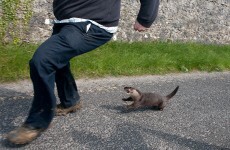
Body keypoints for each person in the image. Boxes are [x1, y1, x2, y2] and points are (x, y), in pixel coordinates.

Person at [6, 0, 159, 144]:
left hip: (92, 23)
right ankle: (70, 101)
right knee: (57, 60)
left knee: (43, 60)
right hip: (65, 22)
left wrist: (146, 17)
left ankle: (37, 122)